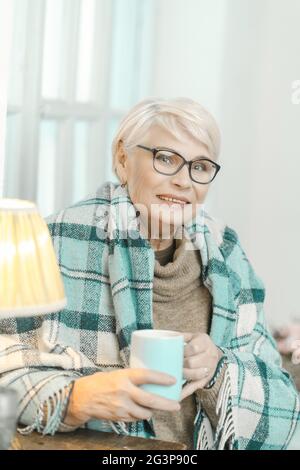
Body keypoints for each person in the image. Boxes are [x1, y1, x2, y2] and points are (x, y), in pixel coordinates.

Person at [0, 97, 300, 450]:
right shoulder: (52, 243)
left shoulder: (227, 252)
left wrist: (219, 369)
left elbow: (285, 408)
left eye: (200, 167)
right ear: (123, 159)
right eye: (166, 159)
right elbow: (7, 373)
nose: (184, 181)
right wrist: (74, 398)